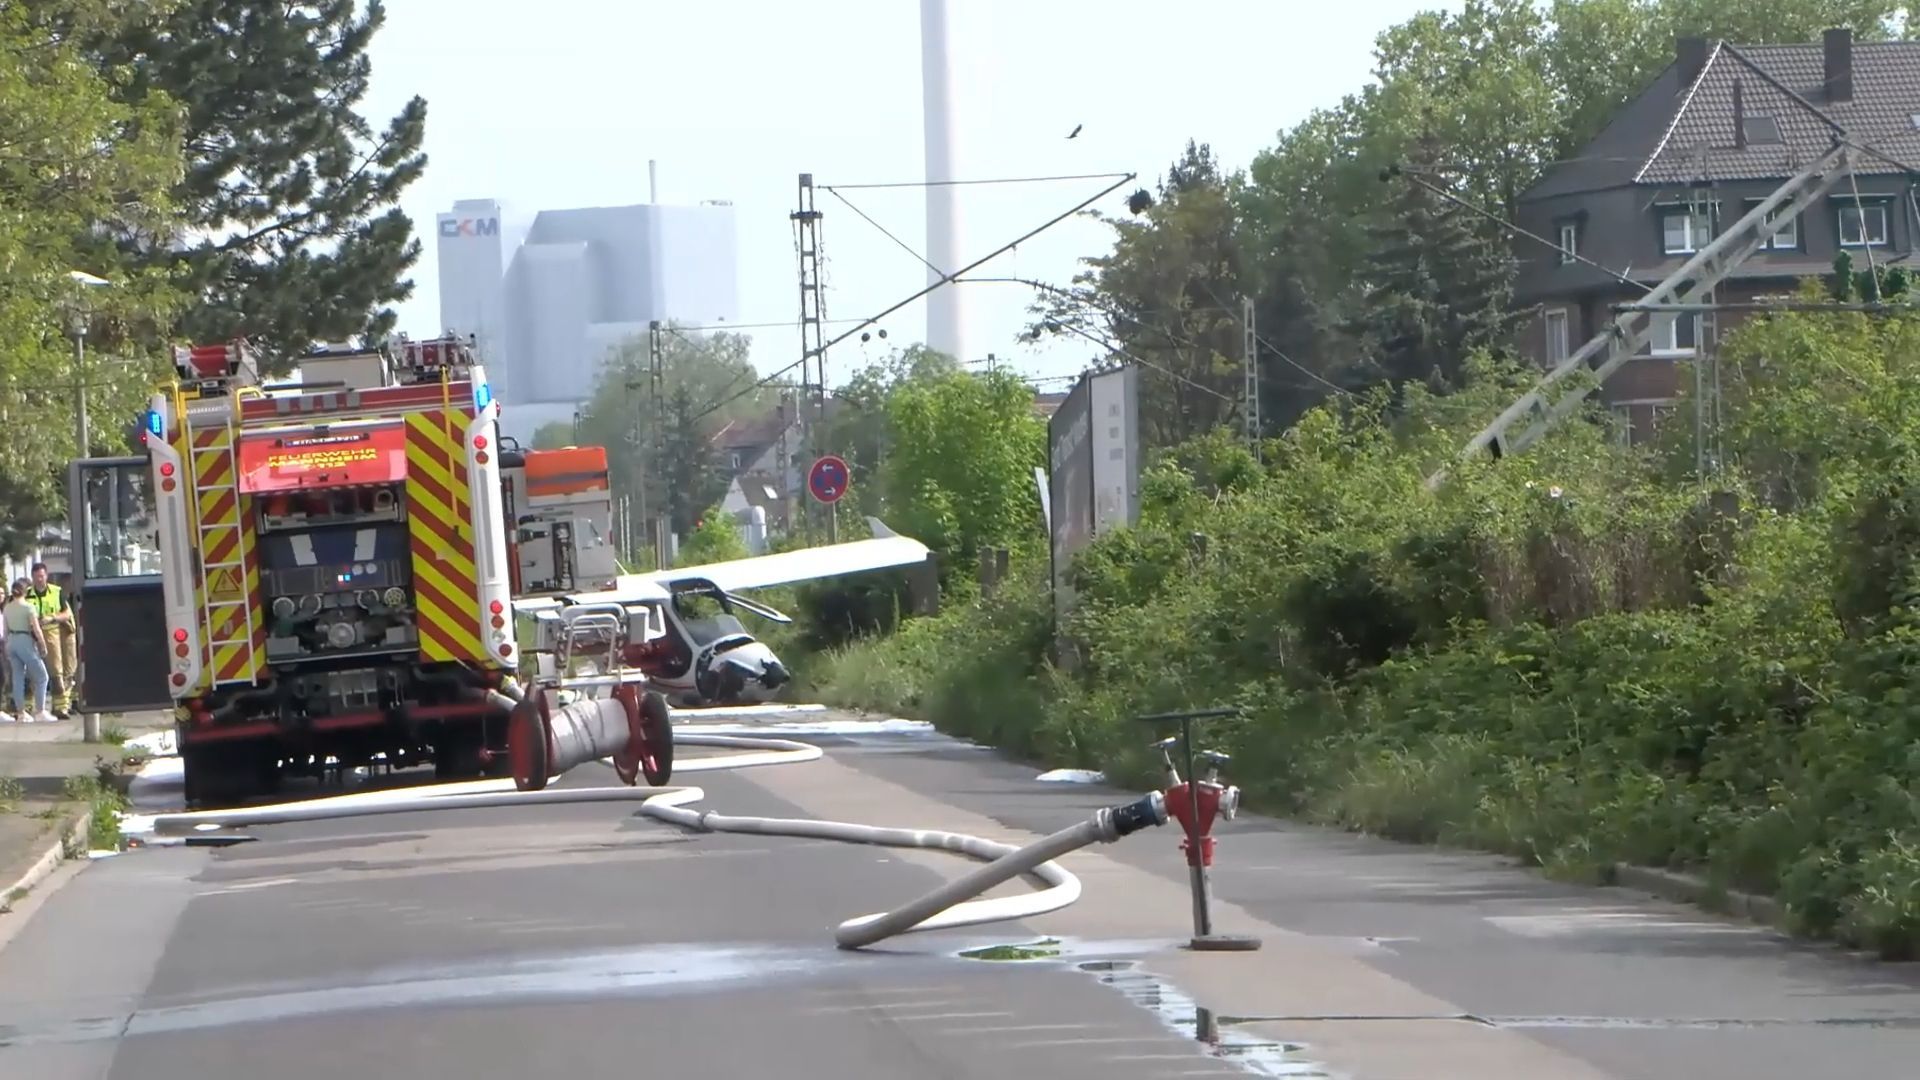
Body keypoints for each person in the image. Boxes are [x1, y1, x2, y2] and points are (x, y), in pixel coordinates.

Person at [26, 563, 74, 719]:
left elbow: (67, 614)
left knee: (57, 672)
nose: (40, 579)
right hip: (32, 635)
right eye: (37, 576)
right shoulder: (27, 595)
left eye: (42, 576)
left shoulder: (56, 592)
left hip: (52, 633)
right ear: (32, 577)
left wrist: (52, 617)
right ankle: (29, 707)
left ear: (46, 575)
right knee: (33, 671)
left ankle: (60, 708)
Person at [3, 578, 53, 724]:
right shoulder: (29, 607)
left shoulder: (7, 607)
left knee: (17, 677)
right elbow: (36, 629)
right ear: (26, 591)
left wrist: (6, 646)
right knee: (42, 676)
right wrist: (42, 644)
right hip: (25, 640)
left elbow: (5, 631)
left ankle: (21, 713)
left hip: (11, 641)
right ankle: (40, 711)